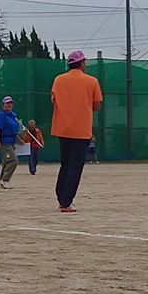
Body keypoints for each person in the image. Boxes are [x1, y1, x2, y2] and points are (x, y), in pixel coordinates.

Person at [50, 50, 103, 213]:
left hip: (62, 128)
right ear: (81, 63)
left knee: (65, 164)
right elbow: (97, 105)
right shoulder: (92, 81)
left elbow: (53, 100)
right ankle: (66, 201)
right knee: (75, 166)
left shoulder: (58, 79)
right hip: (81, 130)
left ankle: (61, 196)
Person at [0, 95, 21, 189]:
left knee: (6, 161)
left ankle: (3, 181)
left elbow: (15, 129)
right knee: (13, 160)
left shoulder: (13, 115)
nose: (9, 105)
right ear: (3, 105)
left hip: (12, 142)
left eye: (11, 103)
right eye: (7, 103)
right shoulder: (1, 115)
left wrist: (19, 140)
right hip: (4, 142)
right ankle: (5, 180)